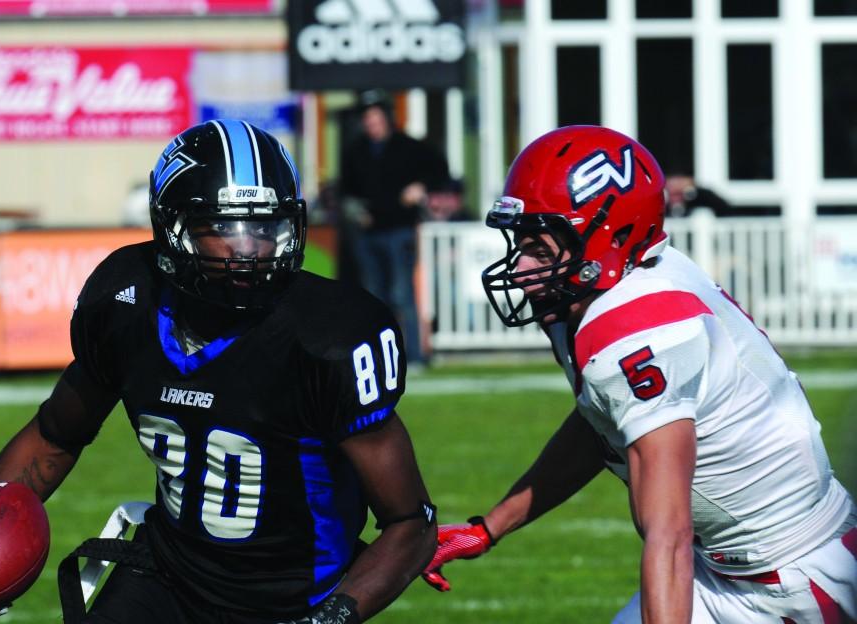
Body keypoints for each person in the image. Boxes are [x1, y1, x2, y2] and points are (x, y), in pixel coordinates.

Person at [0, 120, 437, 623]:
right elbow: (55, 436)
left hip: (293, 602)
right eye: (223, 228)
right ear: (173, 229)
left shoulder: (328, 337)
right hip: (167, 577)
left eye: (264, 225)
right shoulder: (126, 302)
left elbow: (410, 524)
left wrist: (328, 619)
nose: (249, 248)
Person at [422, 125, 857, 623]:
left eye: (540, 249)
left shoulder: (636, 330)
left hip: (797, 582)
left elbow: (667, 534)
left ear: (609, 239)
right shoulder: (608, 287)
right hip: (719, 570)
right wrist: (490, 527)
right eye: (520, 243)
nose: (520, 269)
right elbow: (600, 422)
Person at [339, 91, 449, 369]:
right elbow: (345, 190)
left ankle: (414, 356)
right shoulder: (356, 151)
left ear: (386, 118)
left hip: (399, 230)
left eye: (375, 117)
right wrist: (354, 209)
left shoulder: (408, 147)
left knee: (402, 295)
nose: (371, 123)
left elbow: (440, 171)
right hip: (369, 232)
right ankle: (378, 358)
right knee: (374, 298)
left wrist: (421, 187)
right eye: (367, 118)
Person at [664, 171, 731, 218]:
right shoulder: (662, 205)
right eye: (674, 194)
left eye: (679, 193)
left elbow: (723, 209)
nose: (676, 187)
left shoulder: (700, 199)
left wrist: (693, 193)